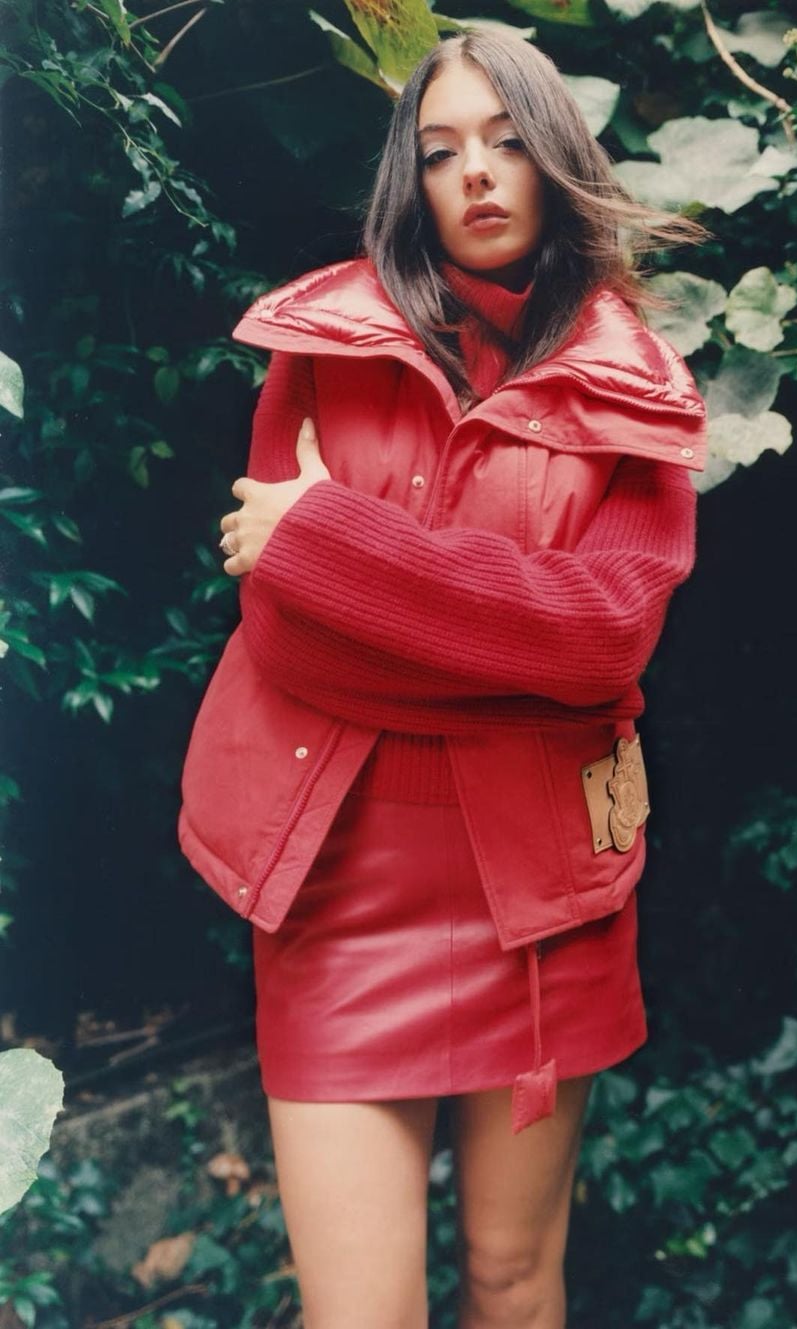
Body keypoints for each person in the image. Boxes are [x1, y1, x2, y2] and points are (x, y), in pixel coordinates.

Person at [177, 28, 708, 1329]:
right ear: (407, 179)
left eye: (508, 140)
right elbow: (292, 636)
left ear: (558, 157)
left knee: (514, 1283)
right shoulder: (330, 342)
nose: (475, 171)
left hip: (545, 897)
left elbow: (605, 638)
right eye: (440, 149)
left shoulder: (634, 384)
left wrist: (339, 547)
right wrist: (510, 648)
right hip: (343, 882)